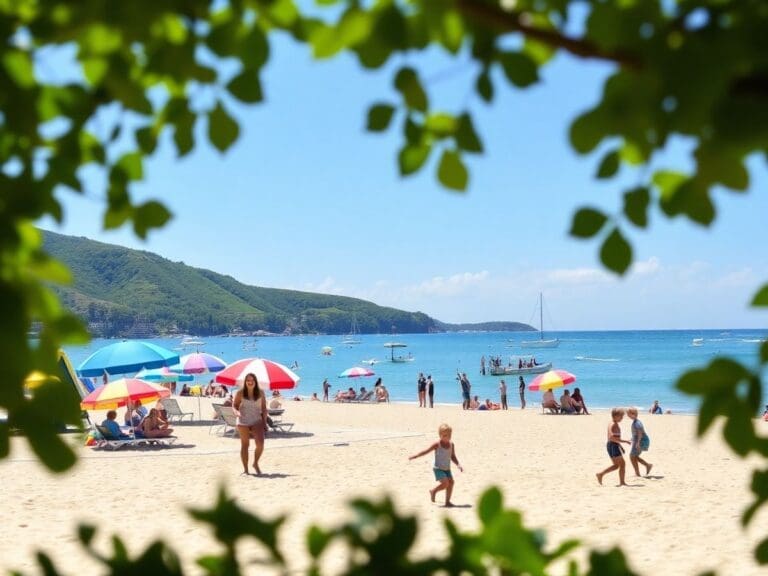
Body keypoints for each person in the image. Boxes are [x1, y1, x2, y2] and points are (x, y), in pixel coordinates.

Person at [408, 423, 463, 507]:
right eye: (444, 435)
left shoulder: (451, 444)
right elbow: (426, 451)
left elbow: (453, 456)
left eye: (449, 435)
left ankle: (447, 502)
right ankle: (433, 491)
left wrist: (458, 464)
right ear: (440, 435)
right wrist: (416, 456)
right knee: (445, 483)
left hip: (447, 469)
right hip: (438, 468)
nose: (447, 437)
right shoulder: (437, 444)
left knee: (451, 483)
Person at [234, 372, 267, 475]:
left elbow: (264, 408)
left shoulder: (261, 392)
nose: (250, 382)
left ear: (255, 382)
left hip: (257, 420)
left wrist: (265, 423)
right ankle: (245, 470)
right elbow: (234, 405)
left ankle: (255, 463)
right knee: (245, 445)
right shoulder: (240, 392)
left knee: (260, 444)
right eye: (248, 380)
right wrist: (236, 412)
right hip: (243, 421)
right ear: (245, 382)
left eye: (252, 380)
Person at [596, 408, 632, 486]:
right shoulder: (614, 424)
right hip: (613, 445)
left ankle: (601, 474)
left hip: (611, 445)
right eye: (621, 416)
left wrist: (620, 444)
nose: (622, 418)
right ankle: (622, 482)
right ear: (615, 416)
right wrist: (625, 441)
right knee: (622, 464)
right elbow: (612, 437)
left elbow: (613, 438)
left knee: (616, 465)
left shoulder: (611, 422)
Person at [627, 407, 653, 476]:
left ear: (633, 414)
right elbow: (636, 433)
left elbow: (640, 433)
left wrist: (638, 443)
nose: (628, 416)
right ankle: (647, 466)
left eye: (628, 414)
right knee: (634, 456)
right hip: (639, 440)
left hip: (641, 441)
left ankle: (640, 471)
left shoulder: (637, 423)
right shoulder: (635, 422)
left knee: (632, 456)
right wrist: (632, 439)